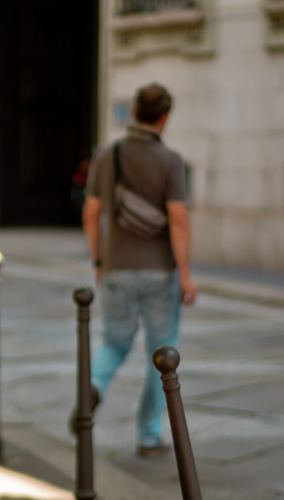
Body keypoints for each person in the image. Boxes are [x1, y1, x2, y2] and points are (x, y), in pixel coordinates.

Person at [76, 83, 197, 456]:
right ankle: (148, 434)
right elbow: (178, 218)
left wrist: (99, 260)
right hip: (159, 271)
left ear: (134, 113)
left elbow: (91, 213)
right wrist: (186, 273)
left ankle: (92, 388)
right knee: (162, 355)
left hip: (116, 267)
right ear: (164, 117)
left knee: (113, 342)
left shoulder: (107, 156)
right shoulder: (171, 161)